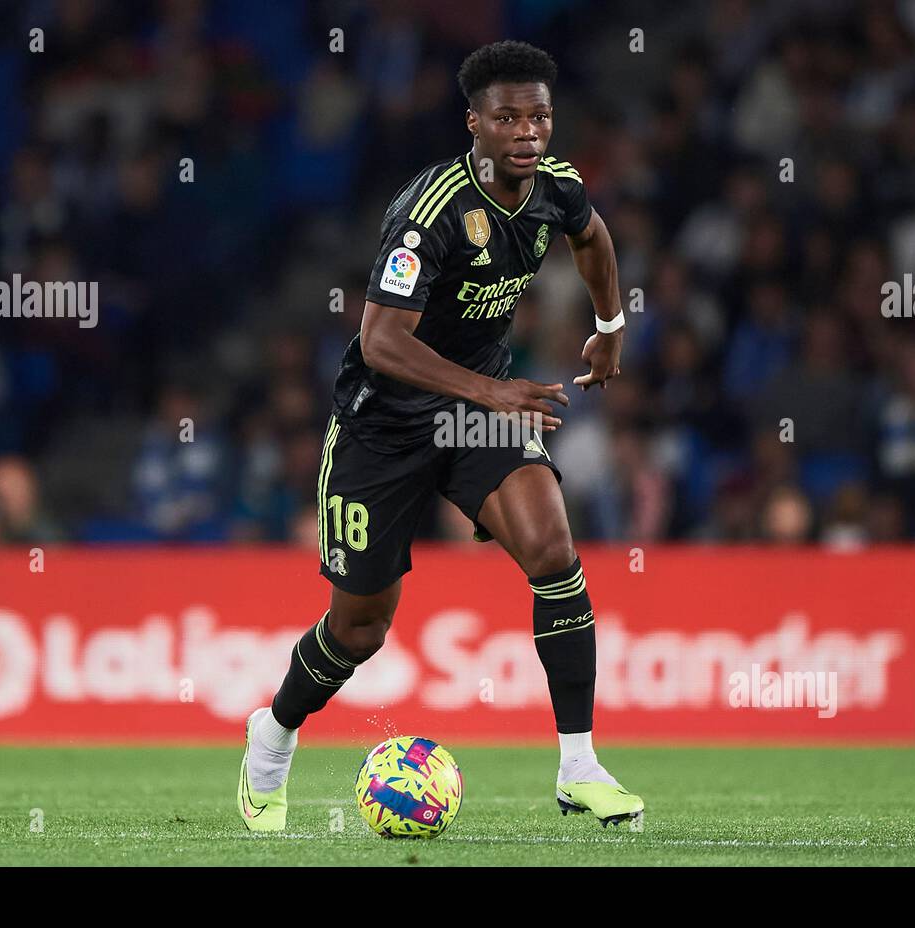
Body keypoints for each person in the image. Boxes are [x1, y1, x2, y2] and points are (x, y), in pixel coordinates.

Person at [237, 40, 642, 831]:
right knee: (359, 630)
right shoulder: (431, 212)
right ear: (475, 125)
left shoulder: (556, 187)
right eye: (509, 119)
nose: (528, 133)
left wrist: (610, 323)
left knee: (554, 552)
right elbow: (383, 340)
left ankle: (579, 765)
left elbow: (592, 236)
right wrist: (495, 387)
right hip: (381, 426)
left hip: (475, 416)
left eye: (540, 117)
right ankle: (274, 734)